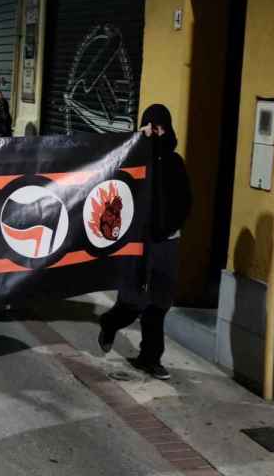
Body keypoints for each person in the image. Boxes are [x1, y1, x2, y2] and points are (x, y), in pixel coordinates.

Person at [97, 104, 191, 381]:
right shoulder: (133, 161)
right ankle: (110, 322)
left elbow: (186, 201)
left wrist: (172, 227)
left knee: (159, 302)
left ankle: (150, 358)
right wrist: (137, 143)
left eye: (161, 126)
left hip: (167, 241)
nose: (157, 132)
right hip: (137, 242)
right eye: (152, 126)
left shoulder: (175, 162)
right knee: (132, 299)